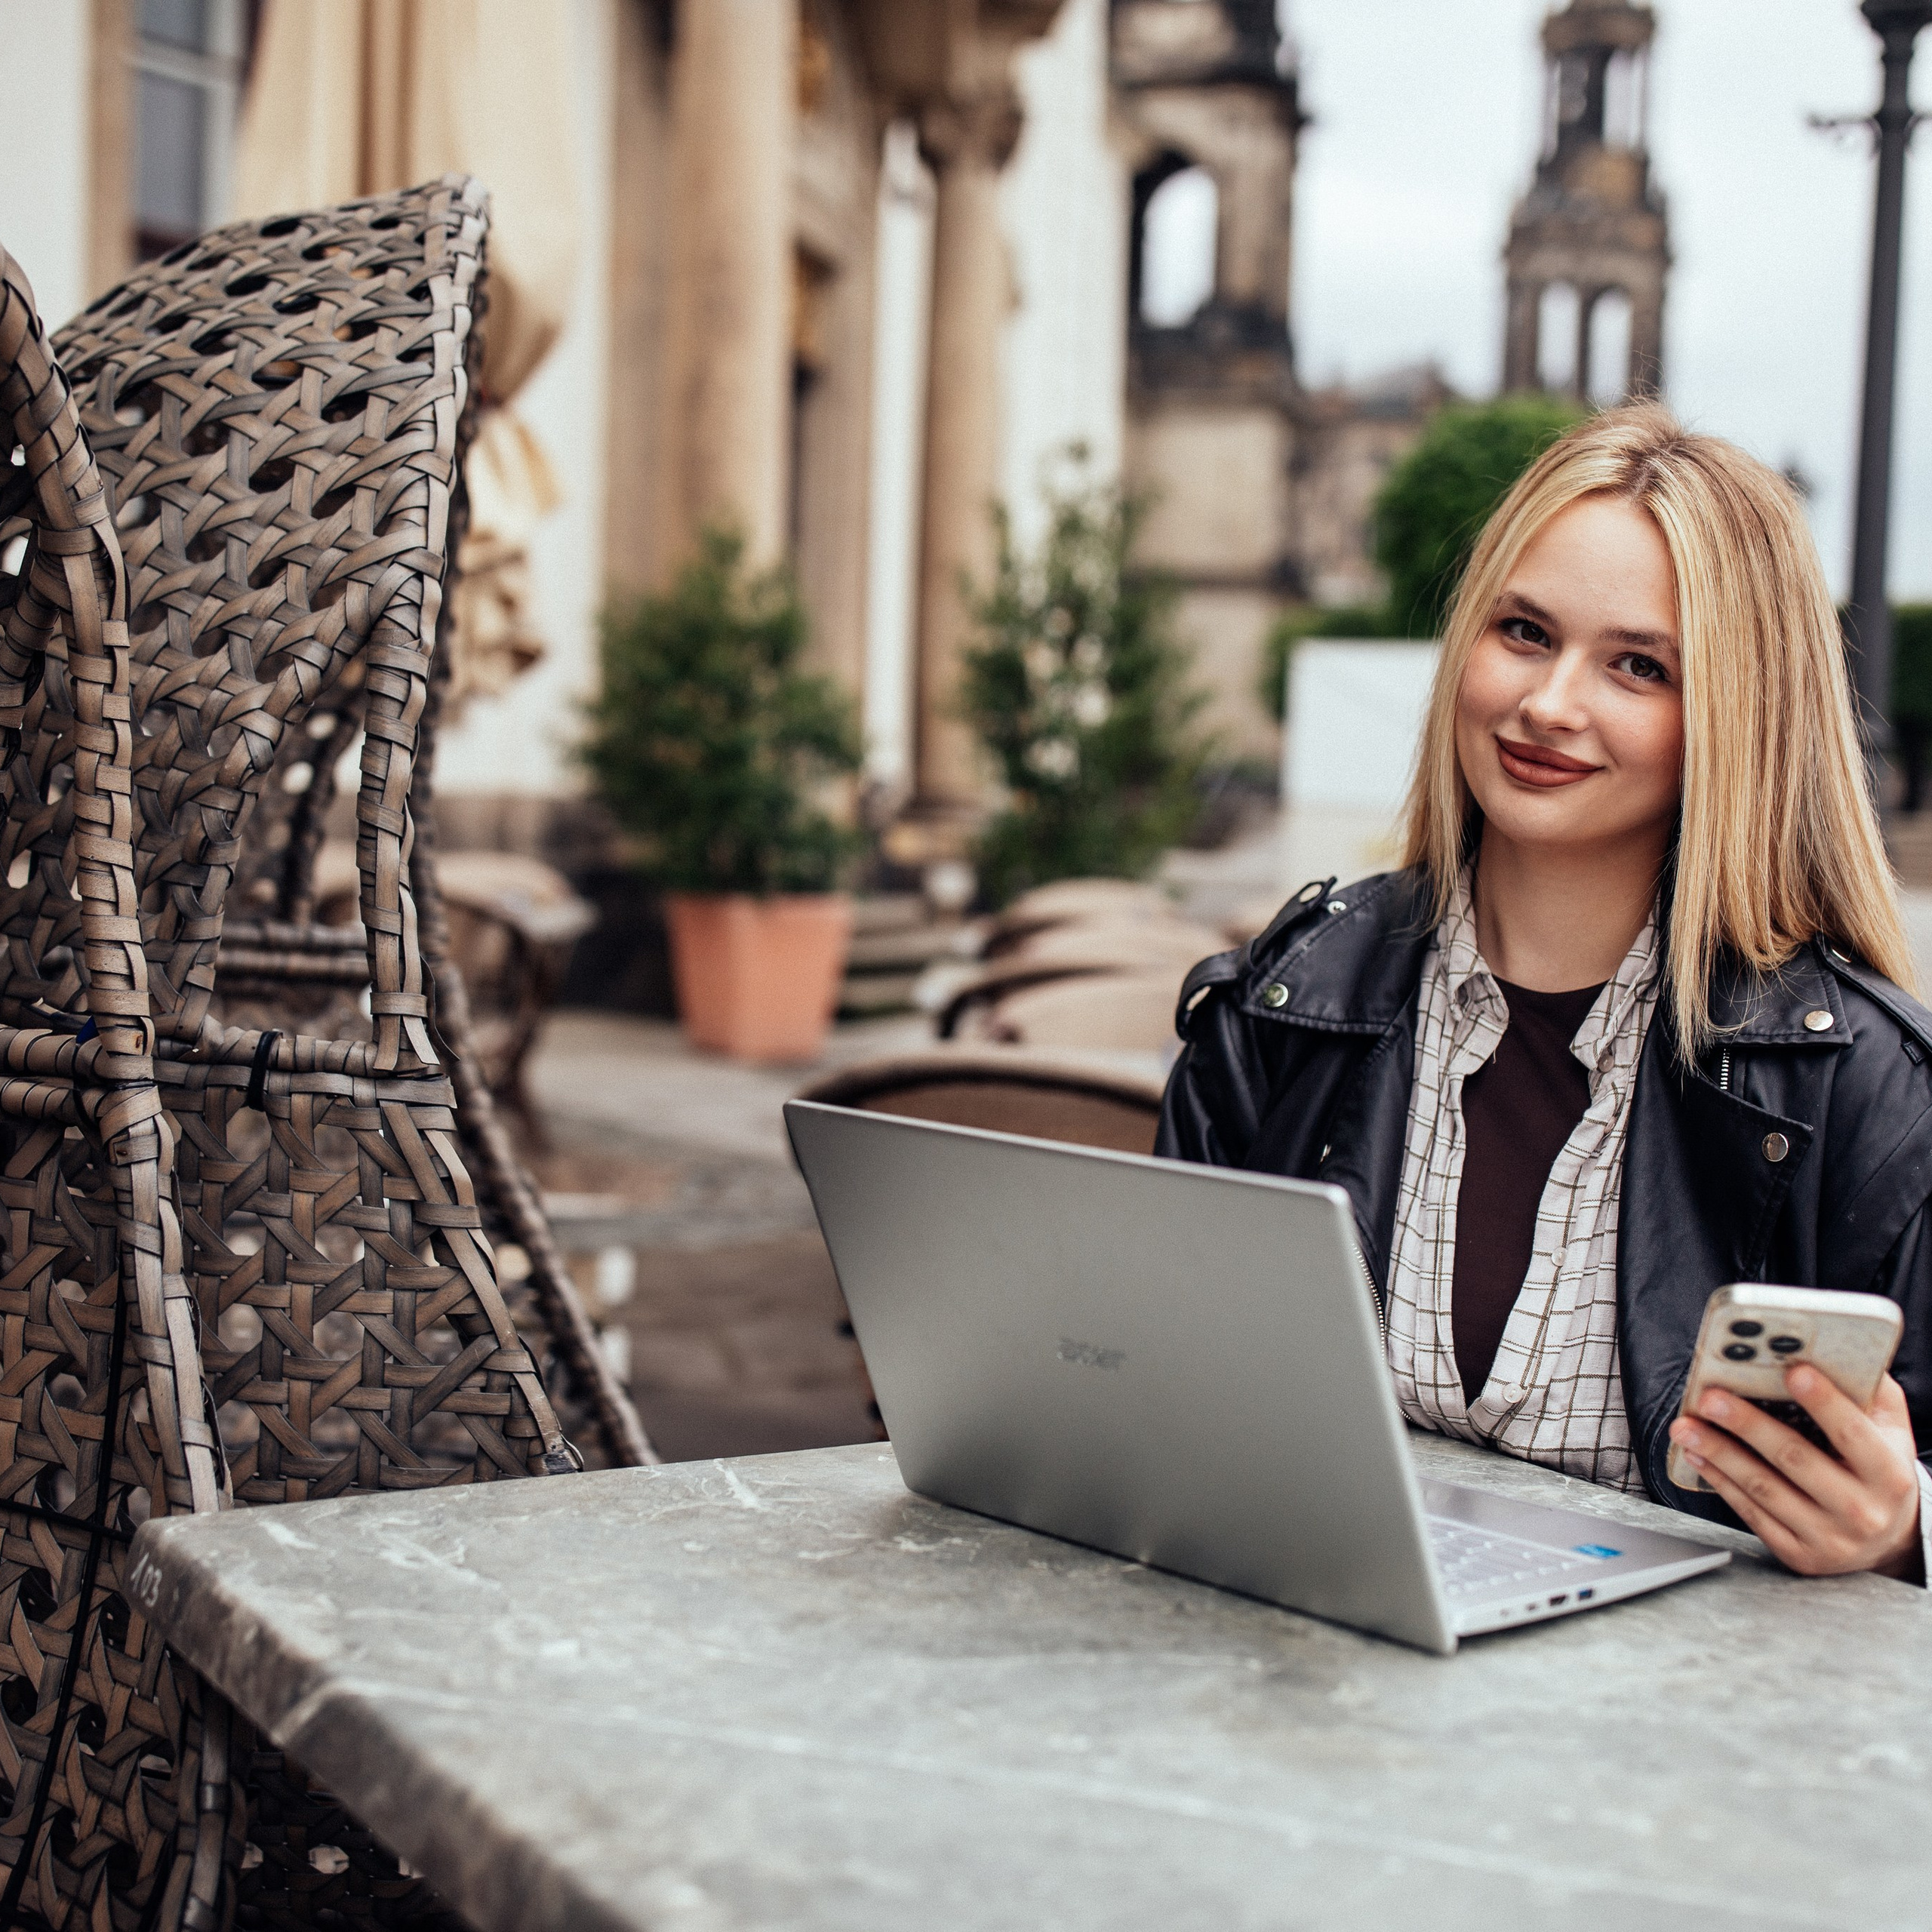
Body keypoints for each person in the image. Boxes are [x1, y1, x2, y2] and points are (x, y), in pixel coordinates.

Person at [1158, 402, 1931, 1581]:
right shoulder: (1288, 994)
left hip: (1684, 1697)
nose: (1550, 705)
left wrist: (1902, 1529)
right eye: (1524, 632)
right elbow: (1146, 1373)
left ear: (1738, 717)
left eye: (1638, 666)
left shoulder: (1865, 1084)